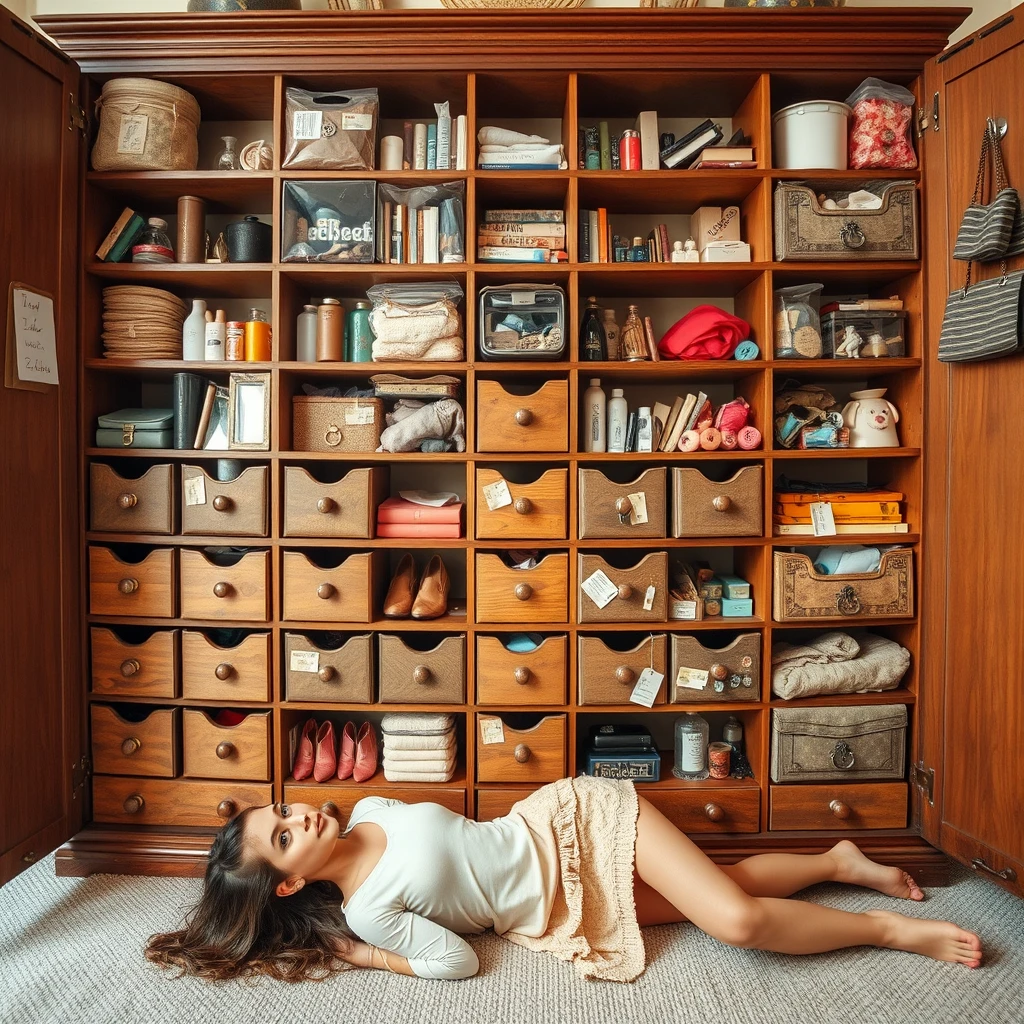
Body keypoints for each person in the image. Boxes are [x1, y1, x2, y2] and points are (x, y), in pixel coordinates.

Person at [146, 776, 983, 983]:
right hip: (563, 907)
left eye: (283, 810)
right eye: (284, 837)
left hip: (568, 821)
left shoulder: (369, 803)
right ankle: (839, 866)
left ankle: (886, 931)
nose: (301, 818)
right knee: (719, 891)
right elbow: (458, 963)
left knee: (733, 921)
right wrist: (366, 959)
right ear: (286, 885)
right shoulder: (368, 911)